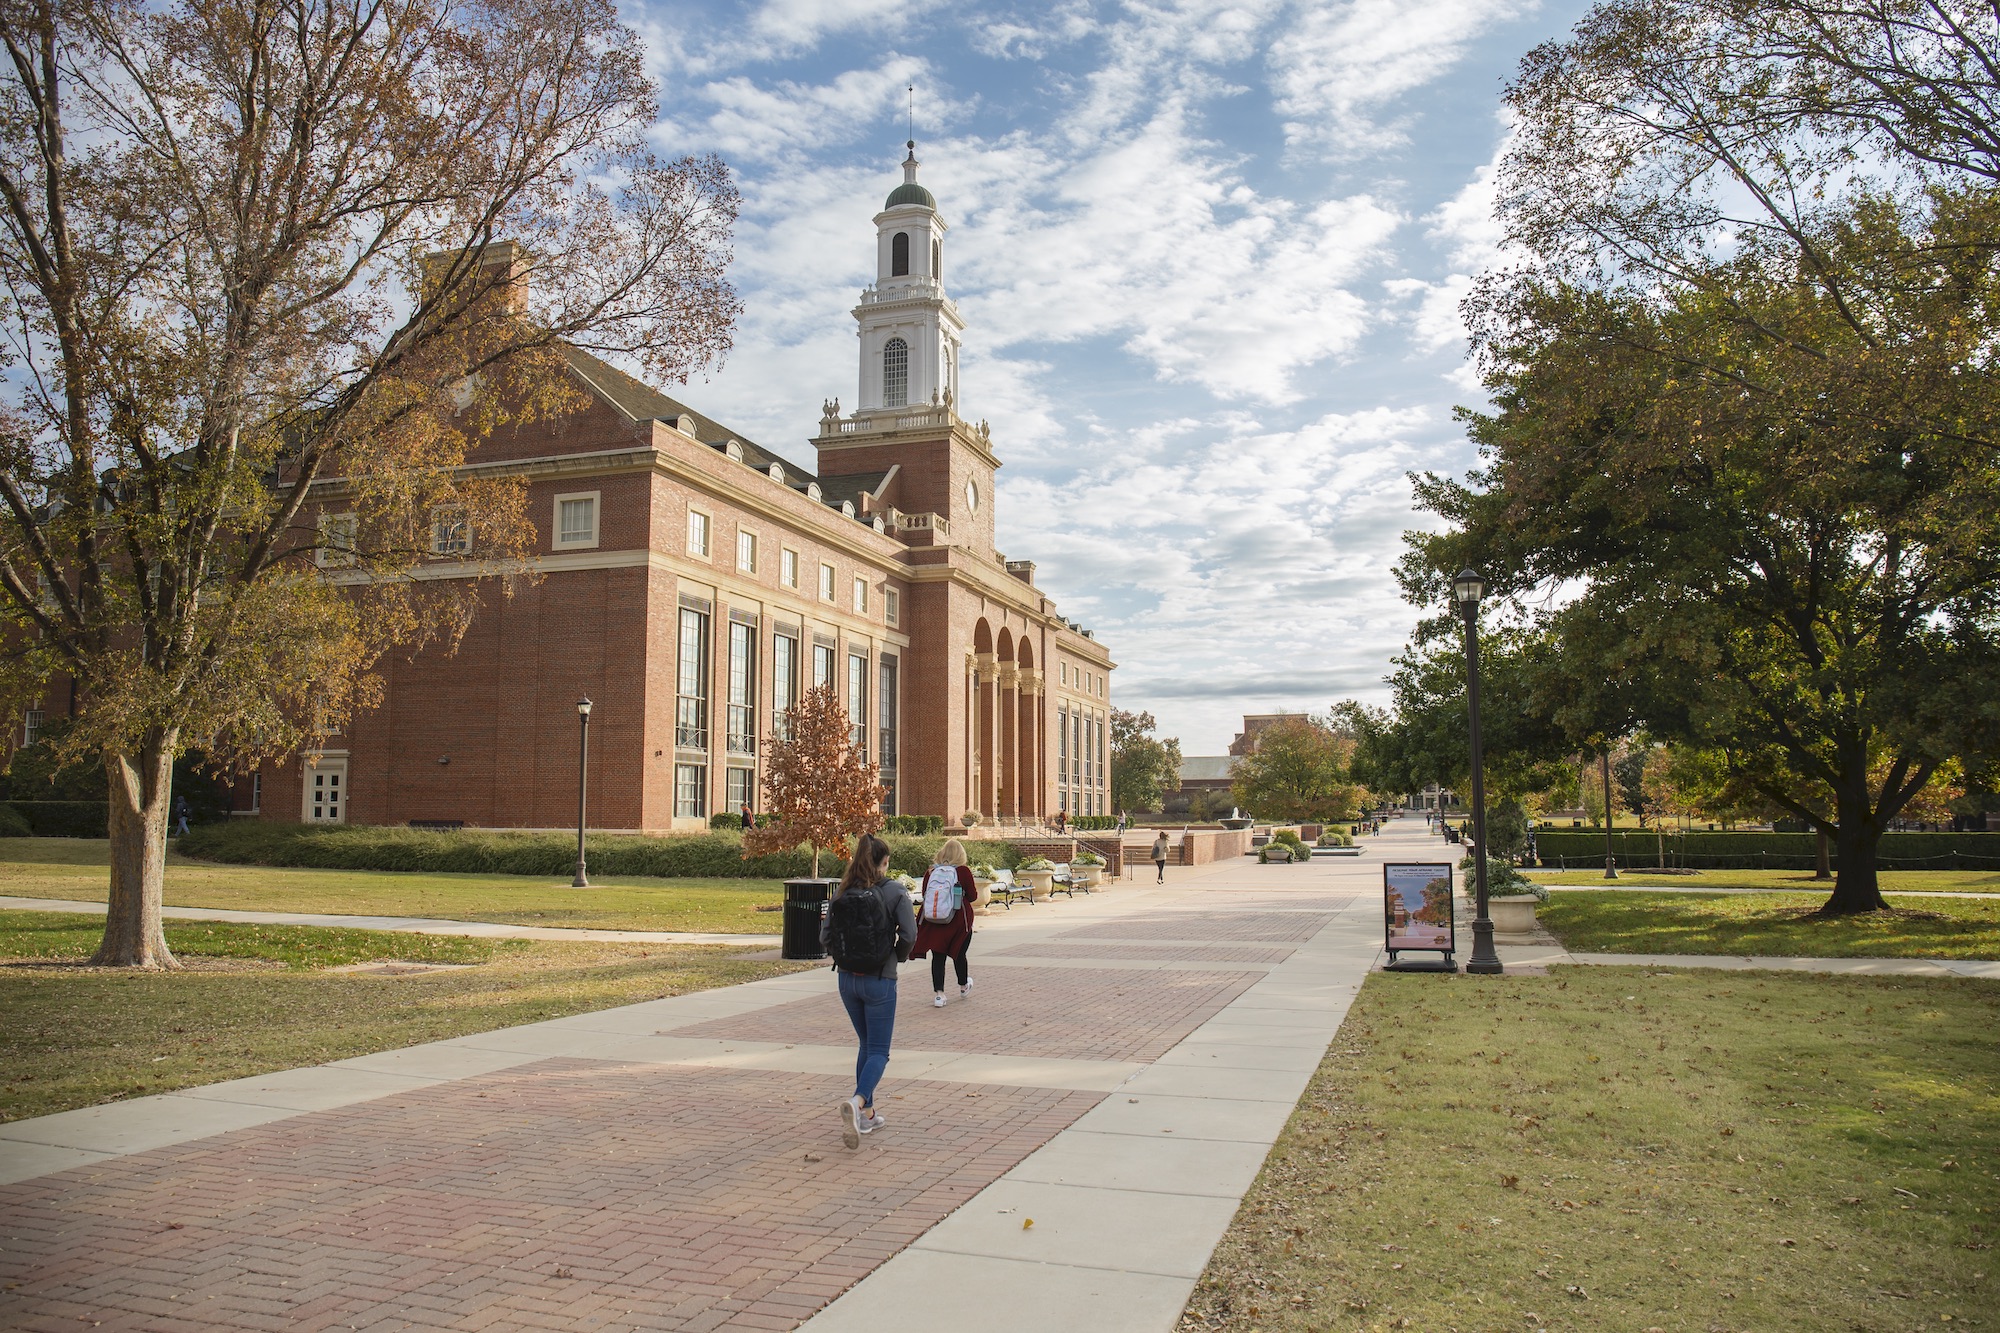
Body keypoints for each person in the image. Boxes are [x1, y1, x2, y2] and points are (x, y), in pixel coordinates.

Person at [822, 834, 914, 1149]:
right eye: (887, 863)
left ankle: (868, 1115)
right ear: (881, 863)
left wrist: (846, 957)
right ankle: (858, 1101)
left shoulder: (842, 892)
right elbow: (910, 934)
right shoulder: (895, 892)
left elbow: (825, 936)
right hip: (880, 979)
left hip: (847, 980)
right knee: (879, 1051)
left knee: (866, 1044)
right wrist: (896, 957)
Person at [910, 837, 977, 1008]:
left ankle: (939, 995)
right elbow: (973, 896)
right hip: (958, 921)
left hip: (935, 921)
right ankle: (963, 985)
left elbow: (925, 894)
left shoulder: (931, 872)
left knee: (937, 957)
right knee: (959, 953)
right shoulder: (963, 871)